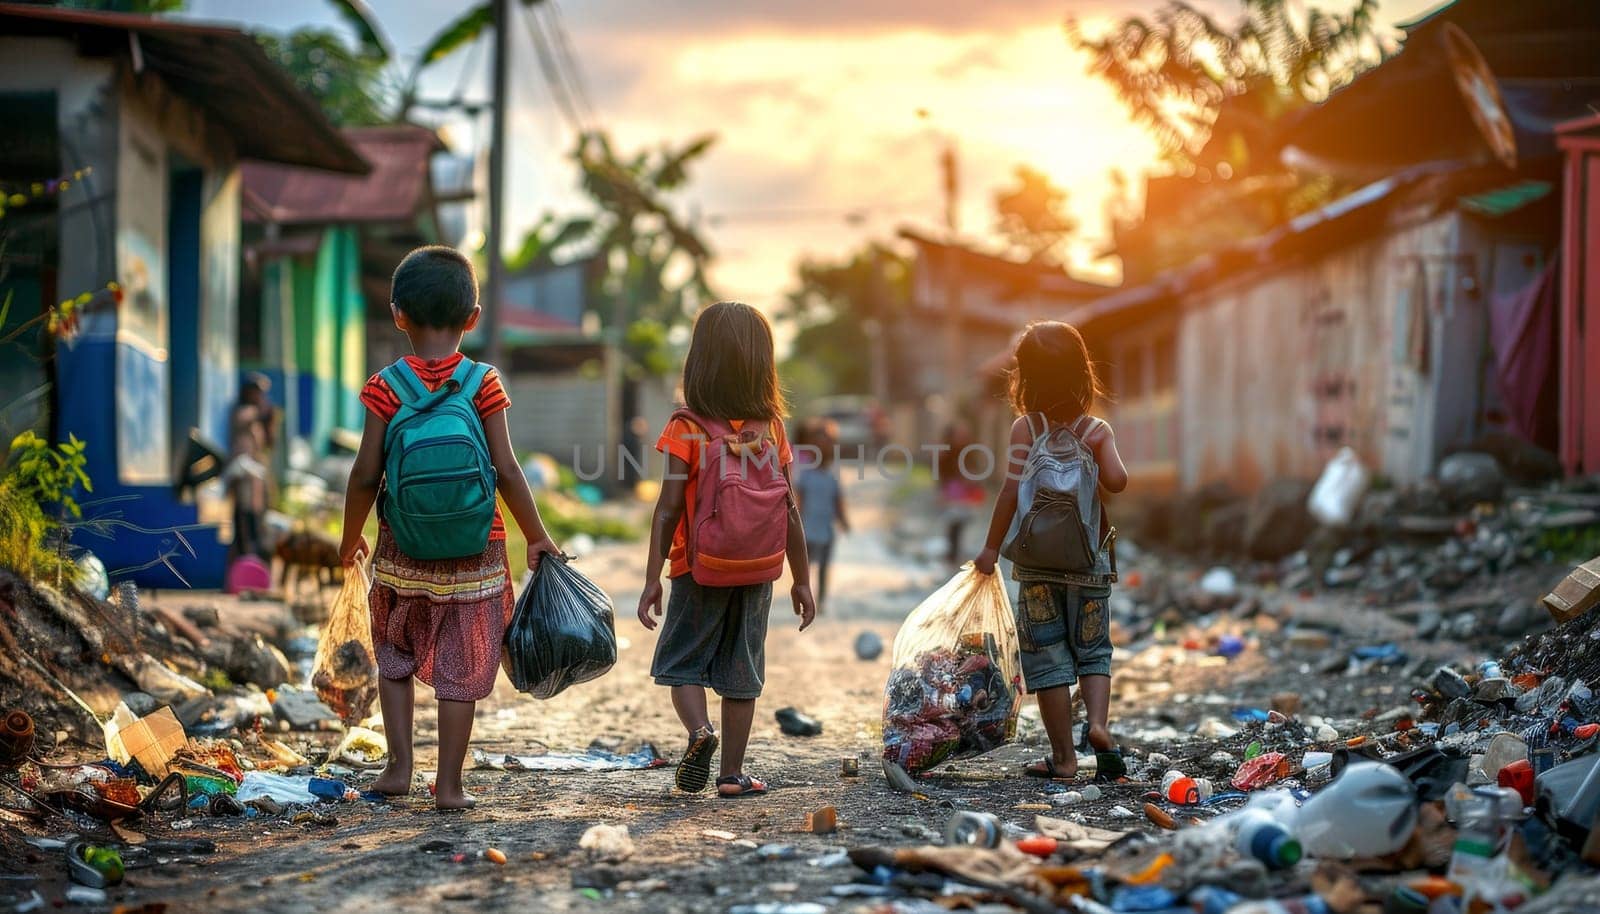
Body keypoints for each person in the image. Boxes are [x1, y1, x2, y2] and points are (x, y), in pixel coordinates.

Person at [338, 245, 559, 810]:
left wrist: (348, 537)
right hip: (475, 549)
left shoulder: (385, 385)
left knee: (395, 655)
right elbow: (506, 468)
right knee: (462, 665)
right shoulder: (483, 381)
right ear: (473, 318)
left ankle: (398, 768)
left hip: (402, 548)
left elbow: (365, 473)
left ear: (398, 315)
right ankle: (451, 785)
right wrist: (536, 534)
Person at [638, 301, 816, 799]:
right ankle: (733, 776)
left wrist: (653, 577)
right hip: (759, 570)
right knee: (744, 671)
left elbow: (668, 508)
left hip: (699, 567)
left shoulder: (686, 427)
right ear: (764, 364)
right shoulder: (771, 428)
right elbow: (790, 509)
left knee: (683, 663)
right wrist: (801, 579)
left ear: (700, 361)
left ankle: (700, 733)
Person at [973, 321, 1129, 783]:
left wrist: (989, 549)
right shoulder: (1096, 430)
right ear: (1083, 375)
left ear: (1026, 380)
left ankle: (1063, 758)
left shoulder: (1026, 428)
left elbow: (1009, 491)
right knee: (1094, 652)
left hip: (1037, 565)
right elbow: (1118, 482)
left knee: (1048, 660)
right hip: (1089, 565)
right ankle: (1098, 726)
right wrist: (1096, 460)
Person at [794, 418, 850, 612]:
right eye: (818, 442)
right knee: (806, 566)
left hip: (826, 528)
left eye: (827, 441)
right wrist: (796, 522)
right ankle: (805, 595)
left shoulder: (833, 472)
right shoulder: (805, 472)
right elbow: (799, 499)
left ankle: (822, 599)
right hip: (807, 528)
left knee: (825, 567)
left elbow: (838, 499)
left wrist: (843, 520)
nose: (823, 445)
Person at [226, 373, 278, 559]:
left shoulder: (257, 421)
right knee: (243, 520)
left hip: (256, 478)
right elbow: (250, 417)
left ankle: (253, 561)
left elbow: (268, 444)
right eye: (257, 392)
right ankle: (243, 559)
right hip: (242, 475)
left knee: (256, 520)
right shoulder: (243, 412)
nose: (260, 397)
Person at [938, 421, 985, 565]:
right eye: (959, 434)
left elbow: (975, 470)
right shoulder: (946, 453)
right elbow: (942, 473)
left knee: (964, 522)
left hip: (966, 492)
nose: (962, 437)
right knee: (954, 522)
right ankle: (952, 553)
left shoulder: (969, 452)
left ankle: (960, 553)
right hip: (953, 491)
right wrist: (941, 491)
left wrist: (973, 481)